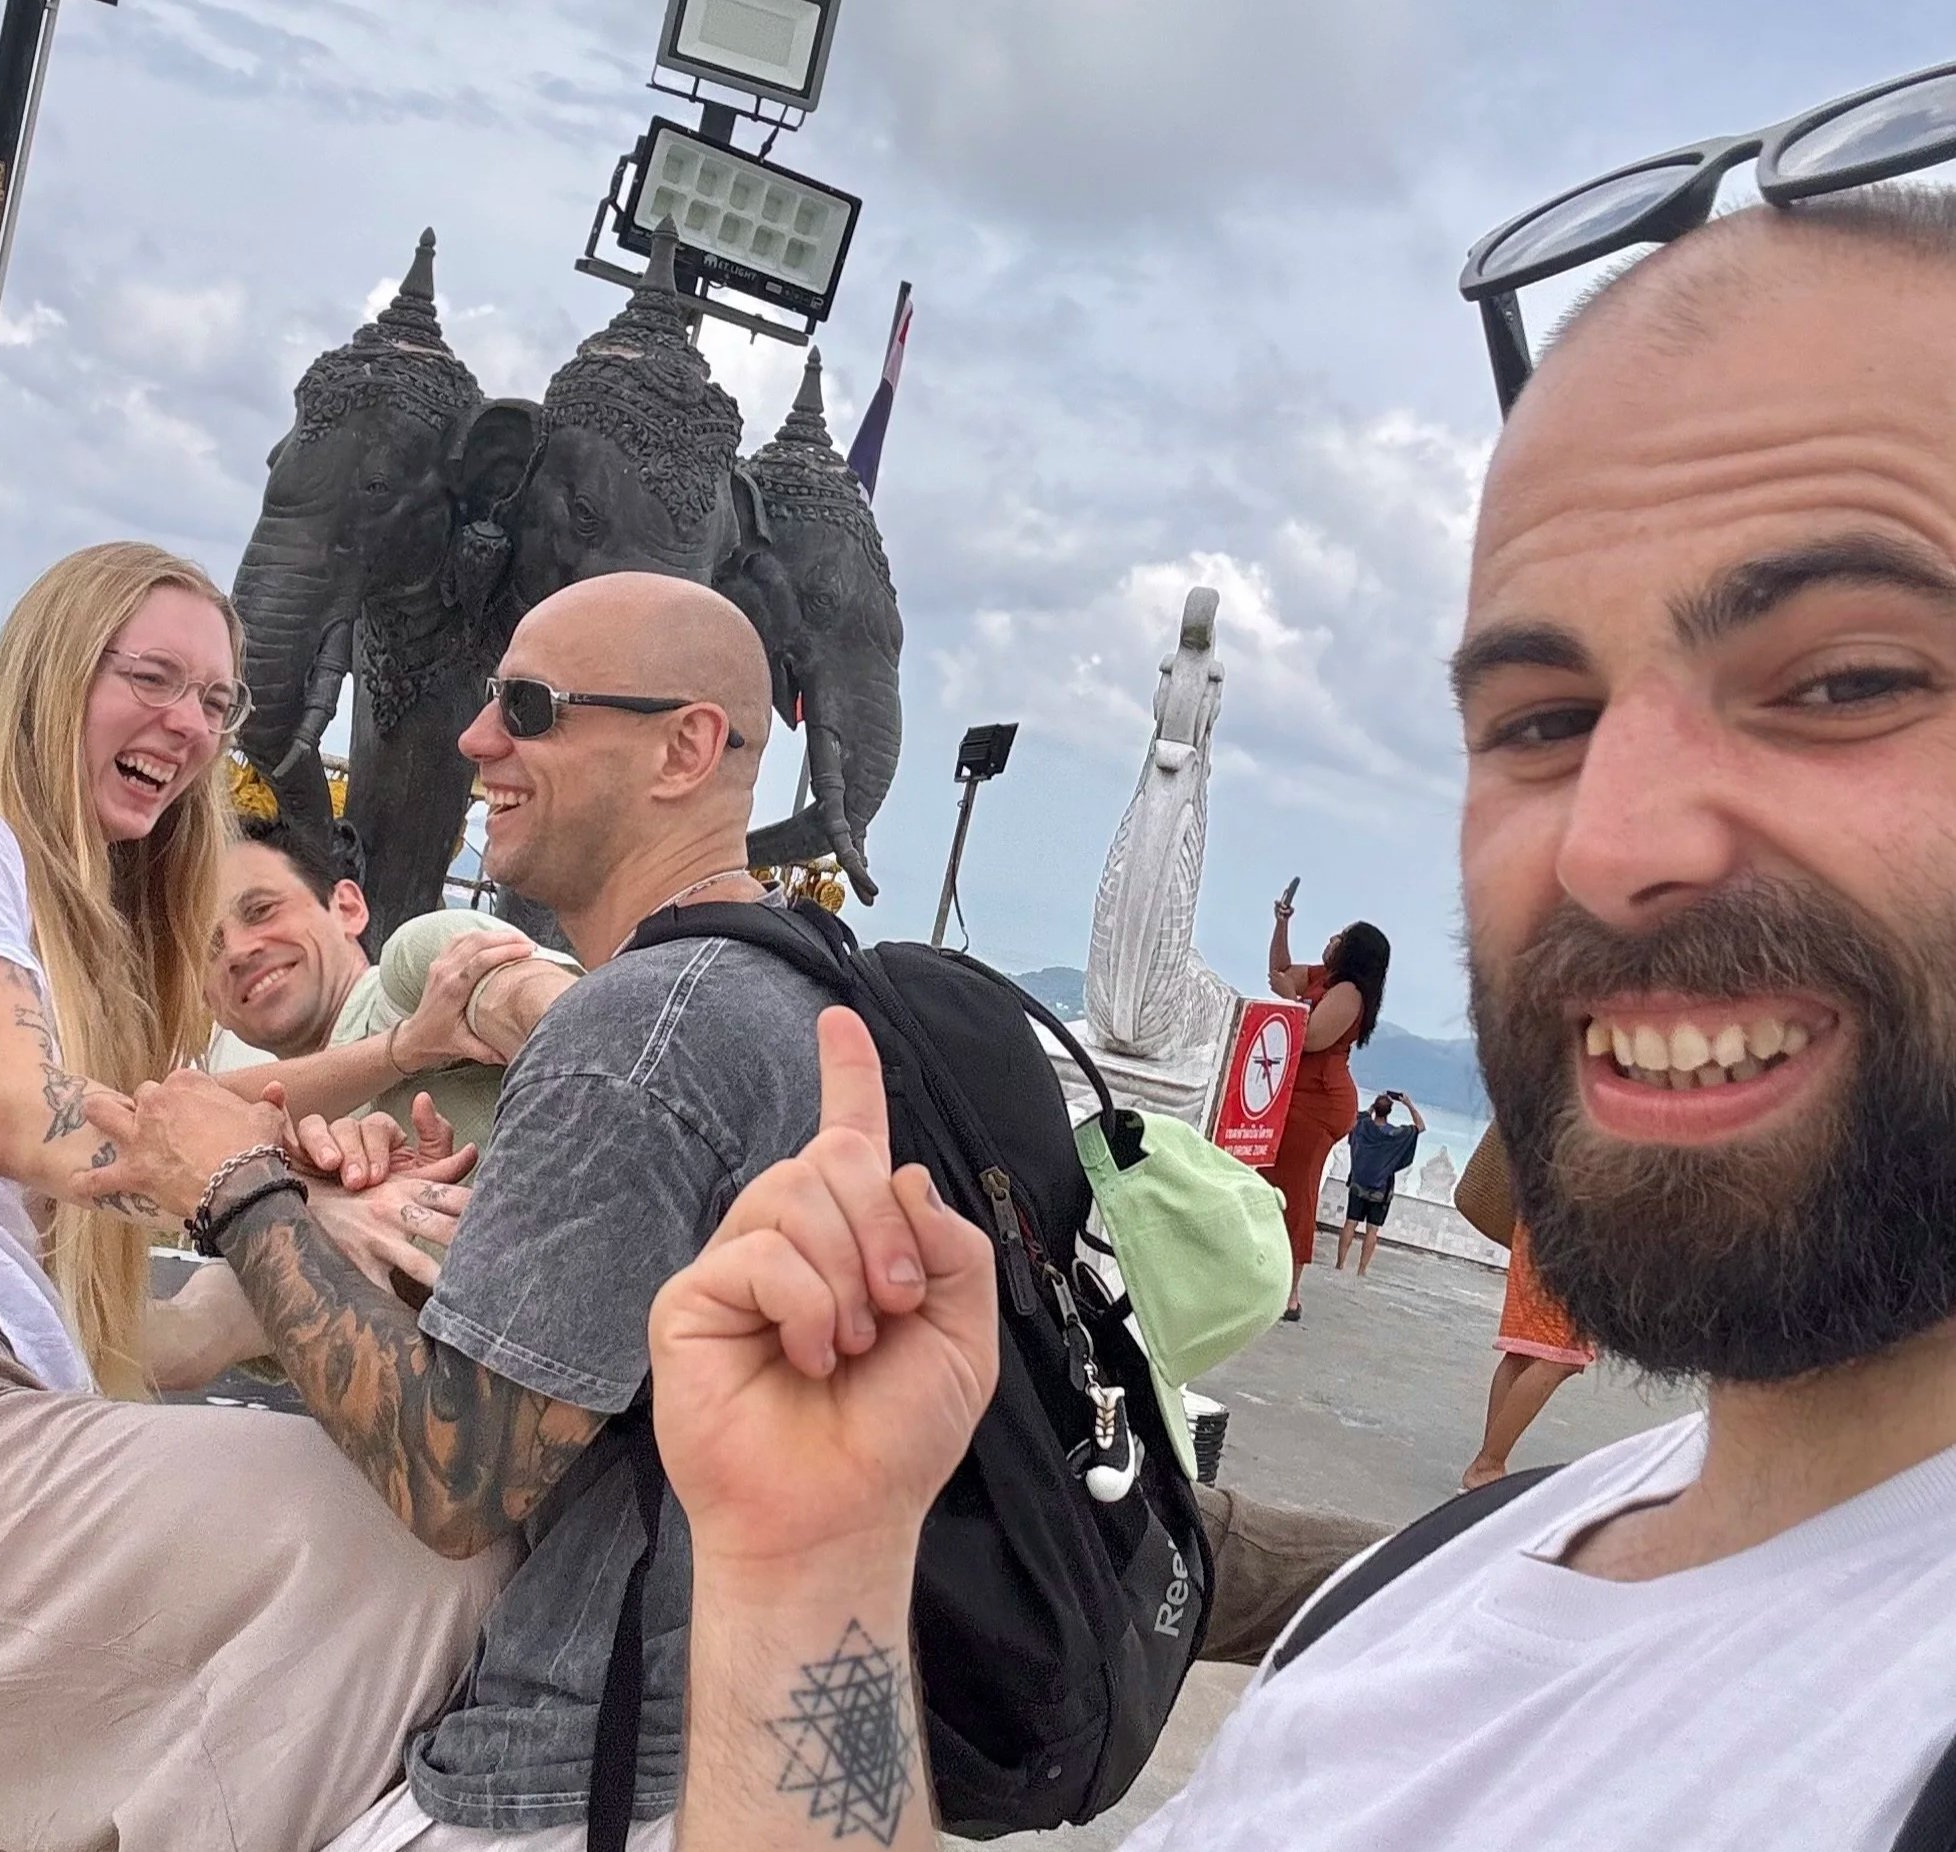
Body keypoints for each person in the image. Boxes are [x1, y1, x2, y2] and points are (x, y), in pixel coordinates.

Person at [654, 184, 1956, 1849]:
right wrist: (806, 1571)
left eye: (1844, 679)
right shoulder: (1436, 1594)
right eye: (1543, 715)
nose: (1615, 843)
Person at [90, 572, 1386, 1851]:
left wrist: (238, 1190)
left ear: (686, 747)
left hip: (594, 1770)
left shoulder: (637, 1033)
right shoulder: (796, 988)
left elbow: (458, 1478)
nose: (477, 739)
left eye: (529, 706)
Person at [0, 542, 511, 1852]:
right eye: (150, 677)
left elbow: (155, 1142)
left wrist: (342, 1161)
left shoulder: (51, 909)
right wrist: (257, 1195)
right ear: (50, 674)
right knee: (413, 1536)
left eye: (215, 704)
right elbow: (30, 1121)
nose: (189, 725)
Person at [203, 814, 579, 1154]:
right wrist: (402, 1049)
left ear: (347, 908)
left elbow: (563, 1019)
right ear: (204, 999)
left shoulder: (414, 972)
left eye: (261, 910)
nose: (236, 951)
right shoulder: (245, 1149)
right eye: (208, 947)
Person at [1262, 904, 1390, 1319]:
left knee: (1297, 1189)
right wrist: (1282, 923)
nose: (1332, 938)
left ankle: (1291, 1293)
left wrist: (1290, 998)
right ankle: (1267, 1273)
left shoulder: (1349, 994)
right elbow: (1280, 969)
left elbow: (1312, 1038)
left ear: (1353, 952)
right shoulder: (1322, 977)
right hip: (1298, 1095)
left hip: (1320, 1100)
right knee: (1273, 1180)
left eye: (1341, 936)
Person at [1462, 1220, 1595, 1490]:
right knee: (1562, 1356)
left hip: (1538, 1217)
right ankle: (1487, 1465)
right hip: (1568, 1223)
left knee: (1523, 1351)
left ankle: (1487, 1467)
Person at [1335, 1090, 1423, 1274]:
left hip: (1358, 1185)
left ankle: (1340, 1264)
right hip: (1381, 1190)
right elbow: (1420, 1127)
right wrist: (1408, 1104)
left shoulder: (1363, 1126)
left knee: (1350, 1223)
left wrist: (1372, 1108)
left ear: (1375, 1109)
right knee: (1372, 1230)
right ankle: (1361, 1270)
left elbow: (1358, 1117)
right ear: (1390, 1111)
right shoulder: (1394, 1134)